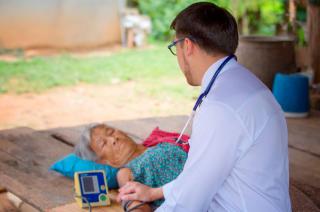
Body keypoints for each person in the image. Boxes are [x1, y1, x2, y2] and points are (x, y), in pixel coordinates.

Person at [117, 2, 291, 212]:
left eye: (175, 48)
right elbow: (202, 173)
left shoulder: (220, 106)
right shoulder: (250, 85)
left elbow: (188, 203)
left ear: (187, 46)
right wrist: (155, 192)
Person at [74, 124, 188, 211]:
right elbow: (135, 205)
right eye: (104, 144)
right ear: (103, 161)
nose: (113, 139)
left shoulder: (157, 140)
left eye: (111, 132)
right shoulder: (125, 173)